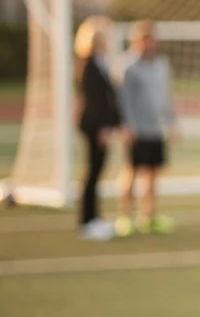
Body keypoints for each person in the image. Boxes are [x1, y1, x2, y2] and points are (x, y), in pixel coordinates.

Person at [116, 20, 178, 236]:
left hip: (156, 129)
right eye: (145, 40)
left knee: (152, 176)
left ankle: (149, 216)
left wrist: (172, 124)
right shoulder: (128, 66)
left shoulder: (162, 65)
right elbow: (122, 100)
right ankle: (125, 216)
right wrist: (126, 126)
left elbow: (166, 98)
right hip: (137, 129)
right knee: (131, 173)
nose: (150, 44)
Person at [74, 16, 120, 241]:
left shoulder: (101, 63)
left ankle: (95, 217)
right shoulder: (89, 65)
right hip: (94, 127)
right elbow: (95, 101)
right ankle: (87, 220)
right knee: (92, 173)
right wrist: (103, 127)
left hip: (102, 127)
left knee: (97, 173)